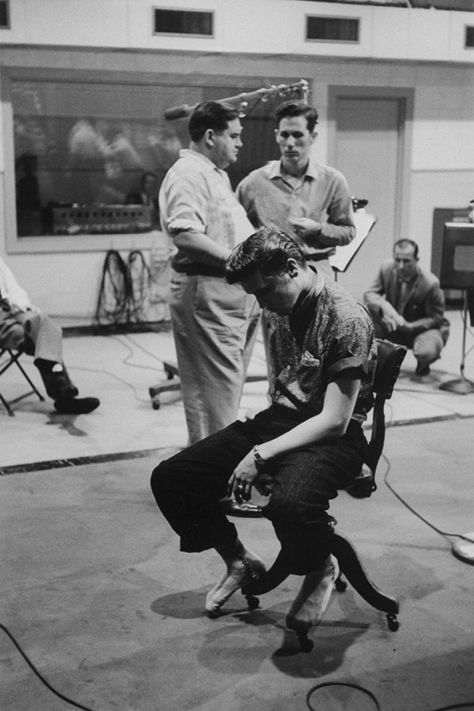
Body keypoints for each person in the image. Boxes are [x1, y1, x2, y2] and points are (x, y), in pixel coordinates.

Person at [151, 227, 376, 634]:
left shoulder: (346, 317)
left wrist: (260, 455)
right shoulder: (279, 305)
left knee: (289, 505)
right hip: (281, 420)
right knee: (172, 478)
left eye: (264, 291)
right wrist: (258, 441)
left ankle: (321, 566)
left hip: (335, 434)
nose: (261, 303)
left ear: (292, 268)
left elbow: (334, 420)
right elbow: (284, 385)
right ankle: (239, 560)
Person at [158, 101, 260, 445]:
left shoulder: (213, 173)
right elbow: (185, 233)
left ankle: (207, 477)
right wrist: (235, 260)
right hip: (209, 292)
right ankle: (215, 482)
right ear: (210, 136)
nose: (240, 143)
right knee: (216, 398)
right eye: (234, 136)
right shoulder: (189, 174)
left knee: (221, 395)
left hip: (230, 294)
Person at [236, 99, 355, 383]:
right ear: (276, 134)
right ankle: (278, 415)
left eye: (298, 135)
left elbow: (348, 231)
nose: (290, 142)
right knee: (280, 358)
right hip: (272, 279)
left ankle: (317, 418)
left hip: (316, 273)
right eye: (284, 134)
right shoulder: (255, 182)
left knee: (319, 352)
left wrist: (317, 229)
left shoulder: (332, 180)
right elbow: (234, 229)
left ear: (312, 137)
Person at [0, 255, 100, 414]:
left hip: (12, 309)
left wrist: (25, 307)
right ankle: (64, 396)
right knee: (34, 338)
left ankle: (49, 367)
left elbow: (12, 288)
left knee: (45, 324)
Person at [364, 238, 450, 377]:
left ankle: (423, 362)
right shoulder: (386, 268)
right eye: (397, 260)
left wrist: (410, 326)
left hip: (419, 328)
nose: (401, 266)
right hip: (393, 324)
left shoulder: (430, 283)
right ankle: (381, 361)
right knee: (365, 324)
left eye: (407, 261)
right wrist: (386, 308)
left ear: (417, 259)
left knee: (426, 352)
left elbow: (436, 319)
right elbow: (370, 294)